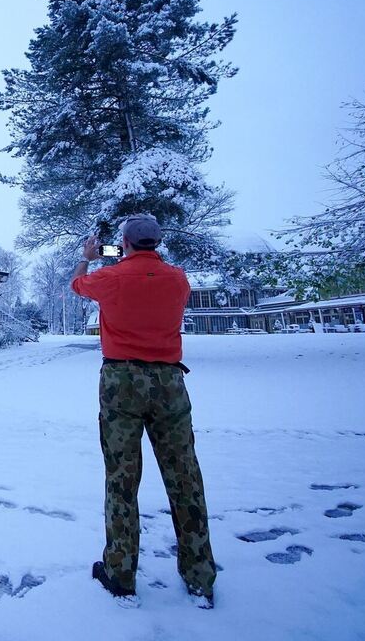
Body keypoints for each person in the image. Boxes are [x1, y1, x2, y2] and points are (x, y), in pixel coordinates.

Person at [70, 214, 217, 608]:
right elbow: (152, 287)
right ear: (158, 241)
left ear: (126, 243)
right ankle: (200, 576)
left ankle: (120, 573)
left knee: (122, 477)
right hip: (170, 382)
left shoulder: (110, 277)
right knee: (184, 475)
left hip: (121, 382)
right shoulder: (178, 279)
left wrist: (89, 257)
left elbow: (78, 285)